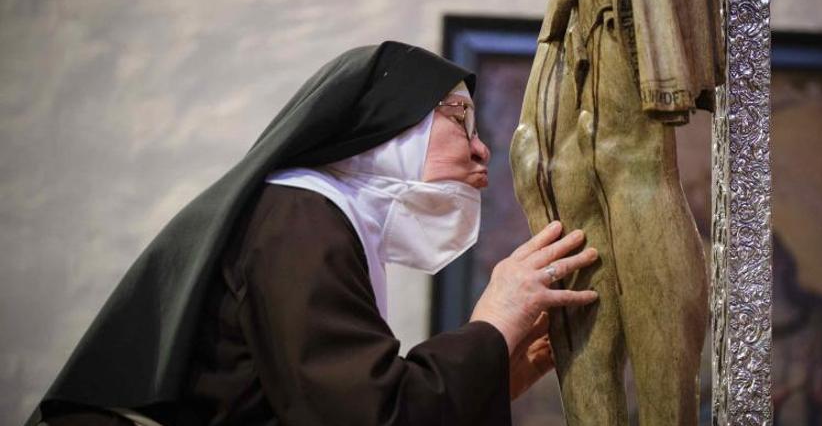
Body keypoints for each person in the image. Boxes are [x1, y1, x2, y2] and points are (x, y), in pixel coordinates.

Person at [29, 41, 599, 426]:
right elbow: (363, 417)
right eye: (460, 119)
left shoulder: (308, 214)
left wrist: (498, 376)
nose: (481, 149)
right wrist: (496, 322)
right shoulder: (299, 215)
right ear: (386, 125)